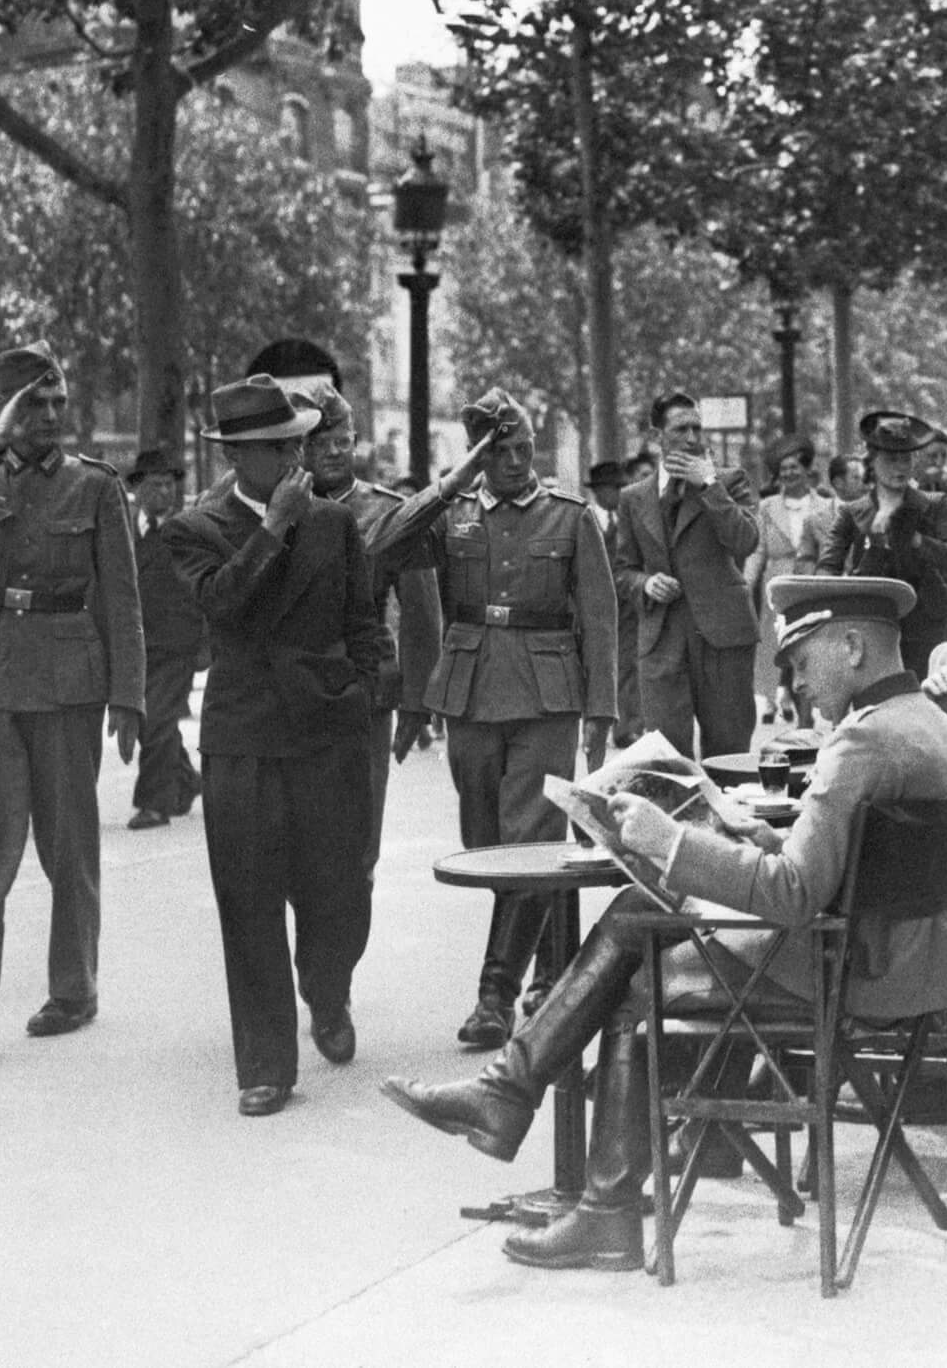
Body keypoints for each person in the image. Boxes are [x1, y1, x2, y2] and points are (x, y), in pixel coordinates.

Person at [379, 574, 947, 1272]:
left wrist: (669, 841)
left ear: (850, 646)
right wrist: (758, 836)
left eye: (803, 659)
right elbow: (860, 869)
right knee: (642, 917)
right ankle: (512, 1101)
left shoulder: (860, 745)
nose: (797, 681)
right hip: (912, 962)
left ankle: (594, 1199)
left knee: (641, 979)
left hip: (850, 972)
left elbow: (791, 897)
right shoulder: (935, 727)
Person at [0, 344, 144, 1061]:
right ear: (4, 408)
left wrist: (129, 697)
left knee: (68, 843)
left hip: (67, 674)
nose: (47, 416)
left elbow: (121, 597)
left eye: (55, 403)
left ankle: (73, 988)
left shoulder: (96, 487)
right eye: (30, 404)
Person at [163, 376, 385, 1116]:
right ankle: (263, 1064)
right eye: (280, 445)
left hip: (327, 728)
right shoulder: (193, 527)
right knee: (249, 901)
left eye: (297, 440)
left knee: (340, 889)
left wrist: (362, 690)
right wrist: (273, 529)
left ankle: (327, 989)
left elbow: (363, 622)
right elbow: (224, 605)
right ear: (237, 454)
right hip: (246, 735)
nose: (298, 454)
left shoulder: (335, 523)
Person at [371, 389, 619, 1051]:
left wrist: (601, 711)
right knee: (491, 846)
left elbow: (597, 614)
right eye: (497, 451)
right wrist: (448, 480)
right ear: (478, 454)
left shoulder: (569, 516)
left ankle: (495, 996)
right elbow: (384, 545)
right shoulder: (448, 511)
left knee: (530, 839)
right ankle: (553, 966)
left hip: (547, 692)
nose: (513, 464)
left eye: (521, 449)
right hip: (469, 689)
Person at [300, 384, 441, 870]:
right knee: (300, 841)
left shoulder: (388, 512)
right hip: (292, 691)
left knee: (359, 840)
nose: (334, 453)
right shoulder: (283, 510)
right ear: (300, 448)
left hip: (366, 692)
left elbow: (421, 612)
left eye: (343, 441)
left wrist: (418, 701)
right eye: (320, 443)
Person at [611, 391, 760, 758]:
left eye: (697, 428)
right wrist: (646, 583)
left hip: (723, 636)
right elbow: (620, 569)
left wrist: (709, 485)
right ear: (657, 436)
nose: (693, 438)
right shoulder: (633, 497)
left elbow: (745, 540)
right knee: (665, 755)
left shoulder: (729, 480)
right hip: (661, 640)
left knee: (729, 752)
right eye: (681, 429)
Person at [819, 410, 947, 675]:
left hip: (925, 622)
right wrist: (875, 544)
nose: (899, 467)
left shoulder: (934, 504)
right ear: (872, 463)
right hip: (870, 621)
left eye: (906, 459)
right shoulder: (852, 512)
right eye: (890, 459)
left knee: (924, 697)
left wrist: (917, 540)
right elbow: (826, 570)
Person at [123, 448, 204, 829]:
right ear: (136, 490)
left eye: (169, 485)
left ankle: (154, 804)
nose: (163, 493)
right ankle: (187, 780)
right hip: (135, 646)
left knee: (156, 718)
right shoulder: (123, 532)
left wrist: (205, 643)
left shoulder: (189, 529)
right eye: (154, 485)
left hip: (177, 644)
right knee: (146, 722)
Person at [749, 435, 824, 723]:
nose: (789, 474)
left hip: (812, 581)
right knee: (776, 641)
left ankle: (807, 707)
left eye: (794, 467)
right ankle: (771, 697)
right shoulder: (767, 507)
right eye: (783, 469)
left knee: (808, 642)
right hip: (777, 581)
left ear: (807, 469)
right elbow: (758, 548)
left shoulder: (824, 505)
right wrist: (748, 581)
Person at [585, 461, 639, 740]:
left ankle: (627, 727)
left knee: (628, 663)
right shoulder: (586, 519)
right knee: (599, 665)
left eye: (620, 487)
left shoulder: (626, 519)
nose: (618, 493)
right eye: (613, 488)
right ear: (598, 491)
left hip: (627, 606)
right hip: (594, 606)